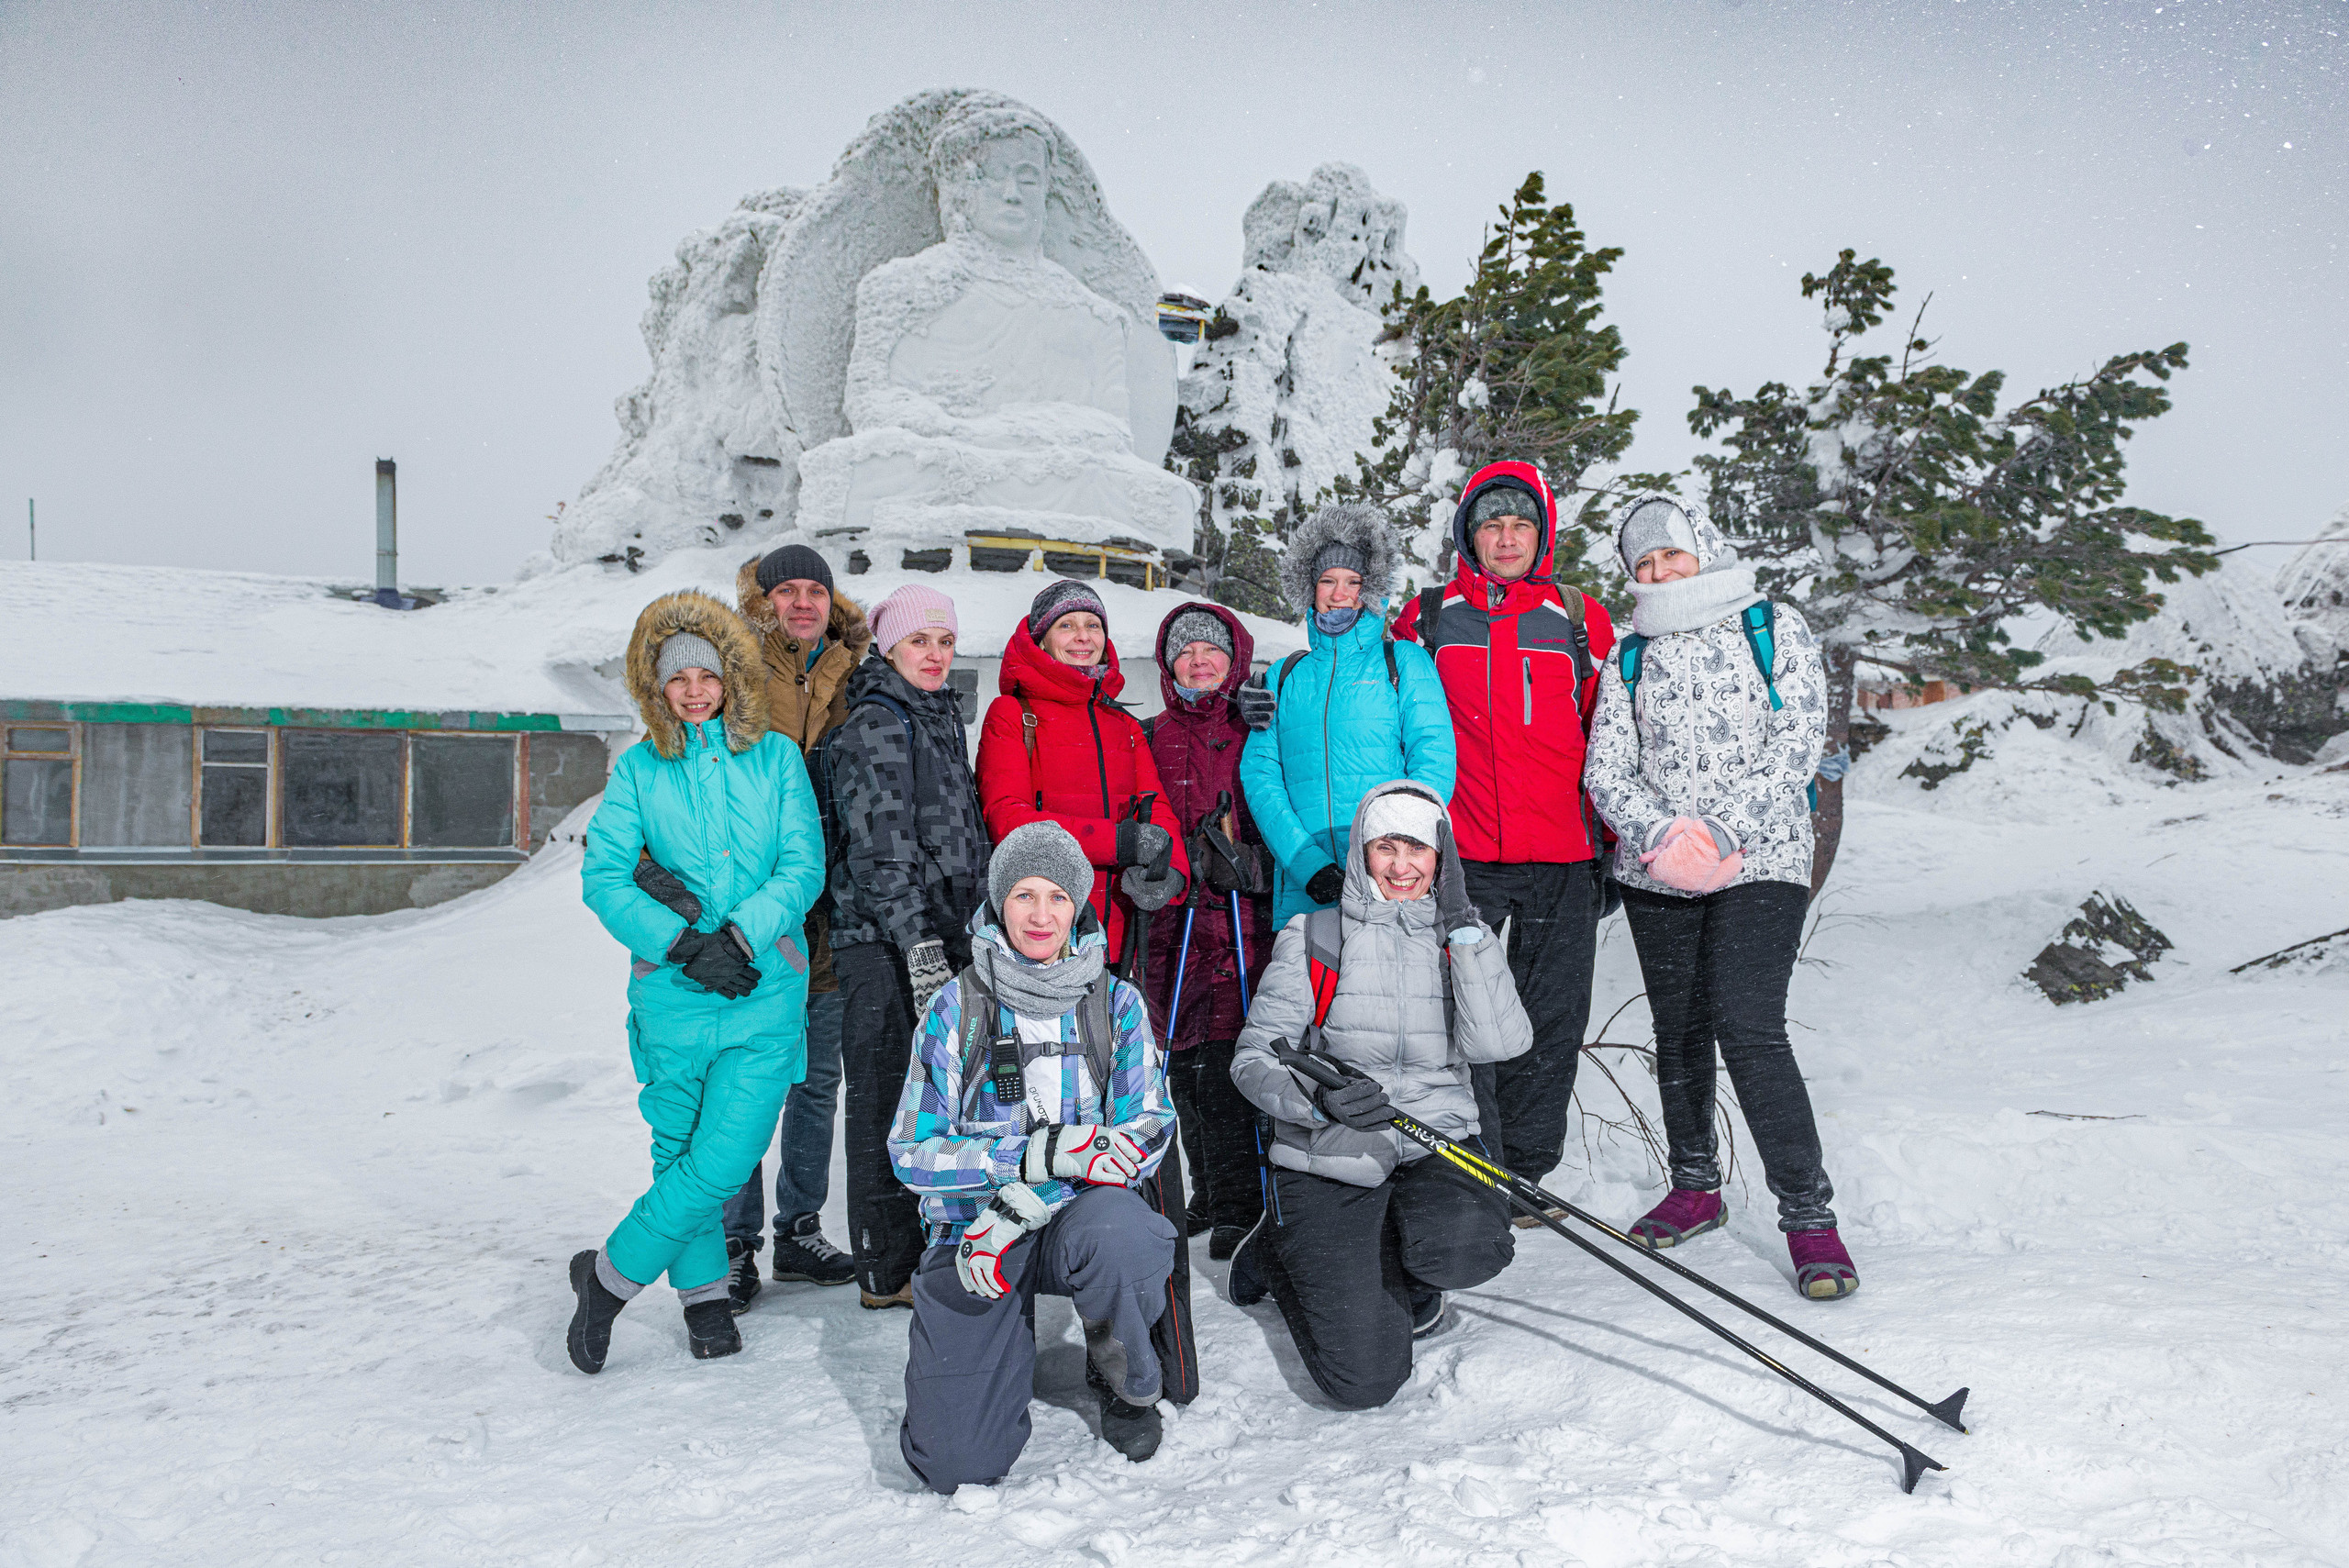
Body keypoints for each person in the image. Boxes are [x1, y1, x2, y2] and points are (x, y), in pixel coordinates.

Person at [1582, 496, 1855, 1300]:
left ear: (1703, 547)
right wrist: (1663, 837)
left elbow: (1798, 740)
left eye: (1671, 554)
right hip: (1657, 869)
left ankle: (1808, 1215)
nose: (1660, 572)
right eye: (1644, 564)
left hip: (1762, 857)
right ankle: (1695, 1184)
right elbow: (1607, 768)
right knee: (1680, 1026)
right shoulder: (1627, 653)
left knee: (1749, 1022)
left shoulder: (1772, 625)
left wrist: (1725, 831)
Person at [567, 590, 825, 1372]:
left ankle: (608, 1280)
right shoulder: (639, 770)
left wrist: (741, 934)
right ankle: (706, 1299)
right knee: (679, 1153)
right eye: (676, 678)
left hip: (761, 989)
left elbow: (802, 864)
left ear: (730, 678)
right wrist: (681, 942)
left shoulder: (777, 758)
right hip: (672, 996)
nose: (694, 690)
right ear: (656, 686)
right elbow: (603, 875)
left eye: (706, 675)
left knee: (724, 1156)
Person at [891, 822, 1178, 1491]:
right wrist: (1039, 1158)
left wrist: (1028, 1198)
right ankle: (994, 1355)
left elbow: (1146, 1129)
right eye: (1024, 894)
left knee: (1122, 1232)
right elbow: (913, 1150)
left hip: (1078, 1224)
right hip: (975, 1231)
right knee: (957, 1464)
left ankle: (1124, 1382)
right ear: (998, 904)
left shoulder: (1117, 1003)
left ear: (1078, 903)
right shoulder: (954, 1006)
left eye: (1057, 895)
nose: (1042, 913)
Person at [1226, 780, 1530, 1410]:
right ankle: (1284, 1253)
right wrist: (1317, 1101)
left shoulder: (1461, 939)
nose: (1401, 865)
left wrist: (1465, 927)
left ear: (1441, 859)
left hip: (1433, 1138)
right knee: (1364, 1380)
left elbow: (1502, 1041)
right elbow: (1253, 1058)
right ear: (1363, 851)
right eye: (1385, 846)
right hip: (1332, 1146)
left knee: (1469, 1247)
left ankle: (1398, 1251)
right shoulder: (1315, 935)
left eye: (1418, 849)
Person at [1389, 462, 1617, 1223]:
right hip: (1462, 856)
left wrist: (1612, 843)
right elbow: (1383, 714)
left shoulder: (1580, 620)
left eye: (1521, 524)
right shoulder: (1426, 618)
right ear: (1469, 535)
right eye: (1492, 524)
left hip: (1562, 852)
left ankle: (1525, 1169)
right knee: (1461, 1012)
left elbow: (1614, 737)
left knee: (1551, 1016)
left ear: (1542, 533)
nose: (1507, 537)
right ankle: (1471, 1159)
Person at [828, 584, 992, 1310]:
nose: (934, 653)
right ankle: (884, 1269)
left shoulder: (938, 714)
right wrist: (918, 944)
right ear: (888, 646)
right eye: (919, 641)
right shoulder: (876, 719)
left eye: (945, 641)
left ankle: (925, 1241)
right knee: (883, 1099)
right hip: (883, 942)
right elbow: (880, 849)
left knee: (932, 1099)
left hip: (942, 933)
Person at [718, 543, 871, 1306]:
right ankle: (735, 1240)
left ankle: (799, 1229)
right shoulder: (736, 668)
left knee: (817, 1081)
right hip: (758, 904)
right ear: (765, 598)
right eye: (789, 591)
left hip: (835, 904)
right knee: (749, 1078)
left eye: (816, 589)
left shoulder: (855, 666)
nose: (803, 602)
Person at [1237, 502, 1455, 930]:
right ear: (1309, 587)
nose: (1340, 594)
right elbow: (1261, 775)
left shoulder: (1403, 662)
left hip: (1393, 884)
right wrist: (1306, 862)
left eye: (1353, 581)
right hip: (1306, 886)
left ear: (1370, 587)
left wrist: (1397, 858)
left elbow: (1433, 762)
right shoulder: (1285, 674)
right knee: (1306, 996)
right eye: (1327, 581)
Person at [1141, 601, 1269, 1261]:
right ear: (1168, 663)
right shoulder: (1150, 732)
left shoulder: (1253, 727)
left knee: (1225, 1065)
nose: (1198, 660)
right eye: (1185, 650)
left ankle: (1239, 1201)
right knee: (1180, 1067)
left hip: (1237, 920)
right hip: (1170, 922)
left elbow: (1273, 808)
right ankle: (1206, 1190)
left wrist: (1245, 861)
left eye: (1211, 649)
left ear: (1233, 658)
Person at [976, 580, 1190, 967]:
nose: (1083, 636)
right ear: (1041, 640)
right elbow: (1008, 820)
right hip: (1047, 929)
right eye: (1067, 625)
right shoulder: (1012, 712)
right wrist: (1119, 843)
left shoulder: (1120, 721)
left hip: (1122, 932)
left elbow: (1156, 809)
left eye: (1093, 625)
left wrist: (1171, 870)